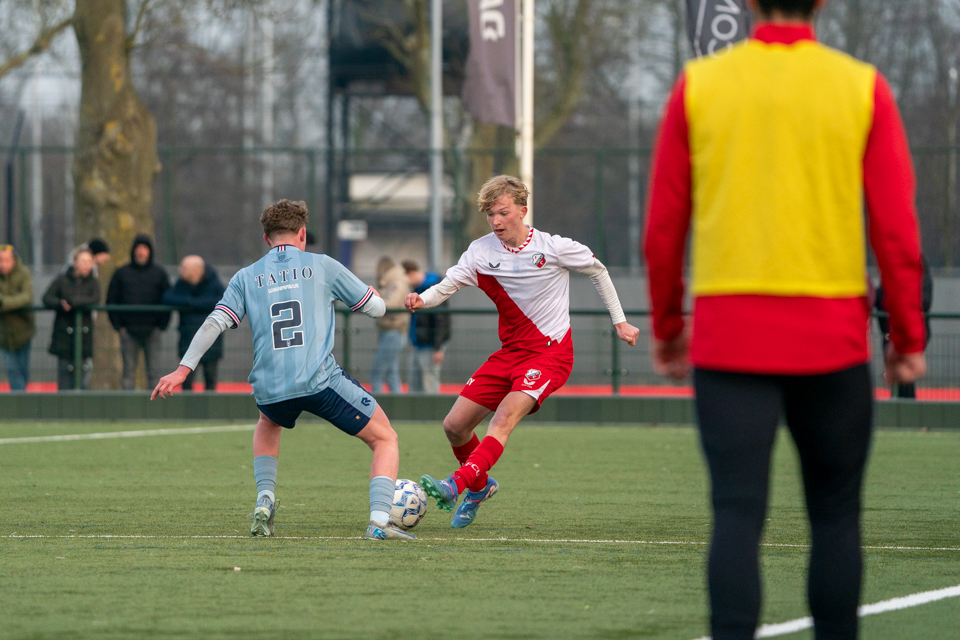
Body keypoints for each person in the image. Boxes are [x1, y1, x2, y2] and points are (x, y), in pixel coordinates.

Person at [643, 1, 927, 638]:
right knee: (834, 516)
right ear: (821, 2)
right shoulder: (860, 86)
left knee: (737, 513)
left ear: (748, 3)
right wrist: (905, 336)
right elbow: (896, 231)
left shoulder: (701, 86)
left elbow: (663, 230)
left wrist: (667, 329)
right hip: (832, 341)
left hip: (728, 341)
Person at [151, 199, 415, 541]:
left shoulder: (246, 276)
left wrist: (182, 371)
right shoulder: (323, 265)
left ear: (266, 239)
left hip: (270, 386)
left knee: (268, 421)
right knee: (385, 438)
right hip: (319, 381)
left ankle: (265, 500)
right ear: (302, 233)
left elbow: (215, 322)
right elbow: (377, 309)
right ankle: (379, 522)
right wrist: (374, 297)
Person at [408, 175, 639, 528]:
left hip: (551, 354)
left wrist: (620, 322)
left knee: (503, 419)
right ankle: (481, 487)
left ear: (522, 211)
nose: (496, 221)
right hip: (510, 353)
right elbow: (447, 286)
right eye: (490, 215)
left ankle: (456, 485)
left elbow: (599, 271)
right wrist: (421, 299)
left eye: (502, 213)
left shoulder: (553, 247)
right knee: (454, 426)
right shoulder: (480, 252)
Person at [107, 234, 171, 390]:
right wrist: (119, 326)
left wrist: (161, 326)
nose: (141, 252)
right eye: (138, 248)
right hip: (128, 331)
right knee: (128, 372)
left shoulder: (160, 274)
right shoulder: (121, 273)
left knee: (154, 372)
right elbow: (111, 301)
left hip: (152, 331)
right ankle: (127, 409)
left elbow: (168, 299)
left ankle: (153, 408)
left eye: (144, 248)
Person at [163, 255, 226, 392]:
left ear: (195, 271)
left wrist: (190, 304)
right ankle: (188, 412)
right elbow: (167, 298)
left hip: (211, 341)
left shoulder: (214, 283)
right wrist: (192, 303)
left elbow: (221, 301)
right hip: (187, 338)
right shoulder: (181, 284)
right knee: (186, 380)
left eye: (184, 268)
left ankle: (210, 412)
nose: (180, 271)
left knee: (210, 380)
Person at [875, 254, 933, 399]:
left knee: (904, 372)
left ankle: (904, 404)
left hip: (907, 331)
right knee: (899, 373)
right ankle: (901, 402)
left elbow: (925, 300)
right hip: (892, 331)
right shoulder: (891, 272)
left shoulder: (918, 269)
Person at [43, 248, 101, 390]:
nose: (86, 265)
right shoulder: (62, 280)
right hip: (64, 336)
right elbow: (47, 298)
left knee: (82, 376)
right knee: (64, 376)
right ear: (75, 262)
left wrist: (73, 303)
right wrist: (60, 304)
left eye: (89, 262)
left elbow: (95, 298)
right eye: (83, 261)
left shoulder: (93, 282)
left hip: (84, 336)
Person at [402, 259, 451, 393]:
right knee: (415, 384)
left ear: (410, 274)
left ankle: (432, 414)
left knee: (429, 384)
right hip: (417, 342)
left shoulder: (433, 288)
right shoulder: (417, 289)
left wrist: (438, 348)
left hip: (429, 345)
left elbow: (442, 320)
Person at [370, 256, 410, 394]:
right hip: (391, 331)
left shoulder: (396, 281)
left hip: (394, 330)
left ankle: (375, 411)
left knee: (377, 374)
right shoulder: (394, 280)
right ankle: (397, 410)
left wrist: (372, 302)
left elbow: (392, 304)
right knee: (391, 374)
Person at [0, 244, 35, 391]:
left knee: (23, 371)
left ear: (14, 260)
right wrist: (15, 302)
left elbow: (27, 297)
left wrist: (4, 303)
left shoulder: (23, 273)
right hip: (3, 334)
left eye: (6, 260)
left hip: (23, 331)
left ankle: (22, 402)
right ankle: (22, 404)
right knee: (12, 370)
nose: (3, 264)